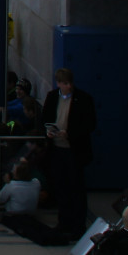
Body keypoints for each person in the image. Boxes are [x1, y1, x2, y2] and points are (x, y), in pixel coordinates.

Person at [42, 67, 98, 236]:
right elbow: (45, 118)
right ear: (58, 83)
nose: (67, 87)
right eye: (64, 84)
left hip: (74, 149)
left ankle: (78, 225)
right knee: (61, 187)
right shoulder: (52, 97)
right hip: (57, 148)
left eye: (68, 83)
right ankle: (63, 223)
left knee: (76, 188)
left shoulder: (83, 99)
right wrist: (49, 131)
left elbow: (90, 124)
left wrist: (71, 133)